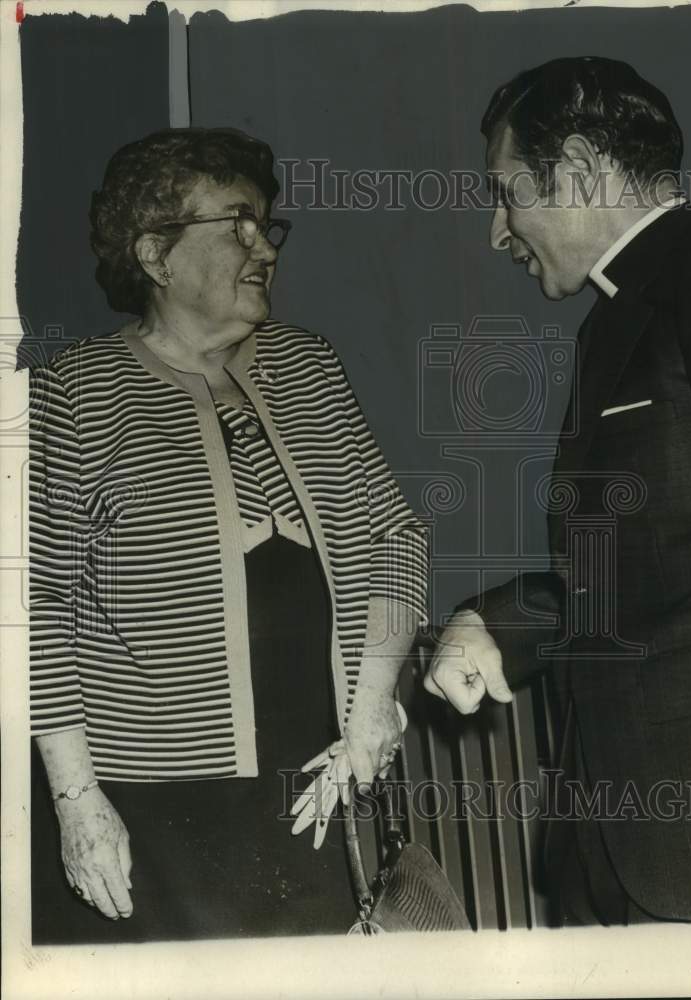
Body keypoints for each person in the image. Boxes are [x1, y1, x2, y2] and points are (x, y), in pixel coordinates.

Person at [29, 127, 428, 942]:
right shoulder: (70, 393)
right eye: (236, 227)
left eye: (267, 228)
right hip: (153, 807)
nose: (265, 250)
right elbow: (34, 601)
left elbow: (396, 535)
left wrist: (371, 704)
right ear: (155, 254)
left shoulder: (307, 365)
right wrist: (76, 800)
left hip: (316, 780)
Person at [425, 57, 691, 925]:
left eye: (506, 192)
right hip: (615, 844)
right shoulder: (621, 316)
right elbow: (666, 569)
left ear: (578, 170)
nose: (497, 230)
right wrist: (496, 626)